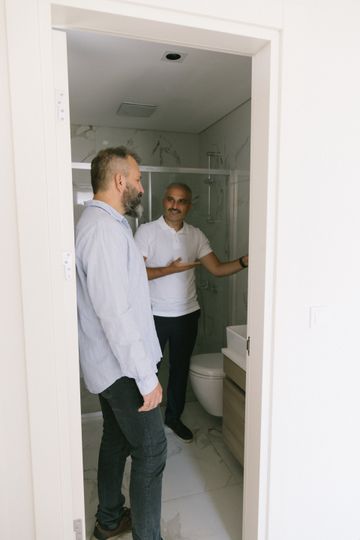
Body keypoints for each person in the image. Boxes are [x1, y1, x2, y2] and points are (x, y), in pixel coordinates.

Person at [75, 146, 167, 540]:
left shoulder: (108, 225)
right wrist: (147, 377)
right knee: (151, 451)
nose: (141, 187)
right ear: (119, 181)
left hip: (111, 365)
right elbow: (115, 314)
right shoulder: (101, 232)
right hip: (124, 370)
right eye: (138, 178)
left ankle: (110, 519)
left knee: (115, 440)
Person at [134, 182, 248, 443]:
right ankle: (144, 423)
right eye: (170, 199)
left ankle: (173, 417)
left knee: (180, 368)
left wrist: (245, 261)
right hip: (154, 315)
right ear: (164, 201)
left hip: (187, 314)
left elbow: (217, 269)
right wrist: (168, 270)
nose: (175, 205)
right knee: (149, 369)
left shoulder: (195, 235)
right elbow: (135, 274)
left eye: (181, 201)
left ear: (188, 205)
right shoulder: (147, 232)